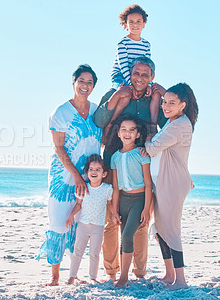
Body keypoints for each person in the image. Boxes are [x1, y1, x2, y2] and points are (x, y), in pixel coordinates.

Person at [93, 55, 166, 281]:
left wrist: (163, 93)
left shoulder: (155, 100)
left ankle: (139, 272)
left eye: (145, 75)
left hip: (142, 167)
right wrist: (116, 96)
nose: (140, 78)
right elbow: (98, 120)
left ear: (152, 77)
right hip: (112, 165)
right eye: (136, 73)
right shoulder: (116, 92)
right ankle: (112, 270)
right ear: (130, 74)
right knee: (111, 222)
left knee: (142, 224)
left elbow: (171, 121)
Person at [36, 64, 102, 286]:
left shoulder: (96, 112)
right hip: (62, 179)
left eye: (90, 82)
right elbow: (59, 148)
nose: (85, 85)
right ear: (73, 83)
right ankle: (54, 276)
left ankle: (73, 275)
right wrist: (75, 175)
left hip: (89, 177)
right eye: (81, 81)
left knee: (79, 226)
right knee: (59, 224)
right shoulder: (61, 112)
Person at [144, 83, 199, 290]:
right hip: (163, 182)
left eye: (171, 103)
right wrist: (159, 90)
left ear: (182, 105)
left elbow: (152, 148)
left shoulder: (179, 125)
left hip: (172, 184)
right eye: (164, 102)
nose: (166, 106)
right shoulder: (172, 120)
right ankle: (169, 274)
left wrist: (149, 140)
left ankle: (181, 280)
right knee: (160, 229)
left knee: (172, 230)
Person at [108, 114, 153, 287]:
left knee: (128, 236)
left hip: (139, 200)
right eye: (124, 130)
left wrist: (146, 208)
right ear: (118, 133)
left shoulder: (142, 154)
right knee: (123, 238)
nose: (127, 133)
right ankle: (123, 274)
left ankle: (124, 277)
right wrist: (114, 210)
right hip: (123, 201)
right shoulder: (114, 158)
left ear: (138, 134)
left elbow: (148, 184)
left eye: (132, 130)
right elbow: (115, 187)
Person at [109, 4, 161, 137]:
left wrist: (148, 85)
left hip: (139, 77)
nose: (135, 25)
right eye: (131, 22)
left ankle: (152, 126)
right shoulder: (123, 43)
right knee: (123, 94)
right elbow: (123, 65)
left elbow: (147, 66)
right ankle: (110, 124)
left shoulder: (146, 45)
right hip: (121, 75)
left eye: (138, 22)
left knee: (154, 93)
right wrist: (130, 84)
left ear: (144, 24)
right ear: (125, 24)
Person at [66, 154, 117, 284]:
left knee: (94, 253)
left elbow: (110, 204)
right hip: (83, 226)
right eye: (91, 169)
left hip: (98, 227)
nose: (94, 172)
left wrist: (115, 214)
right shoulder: (83, 187)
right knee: (78, 251)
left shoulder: (107, 189)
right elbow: (78, 204)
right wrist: (71, 215)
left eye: (98, 169)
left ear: (104, 174)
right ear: (87, 172)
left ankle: (92, 277)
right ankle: (72, 276)